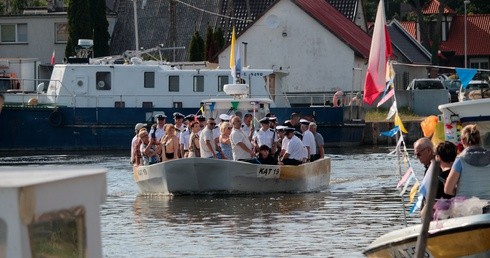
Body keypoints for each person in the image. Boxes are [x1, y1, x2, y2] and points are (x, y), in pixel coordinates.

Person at [444, 124, 490, 198]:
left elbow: (448, 190)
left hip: (465, 206)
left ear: (463, 140)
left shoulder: (460, 160)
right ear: (480, 139)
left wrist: (458, 190)